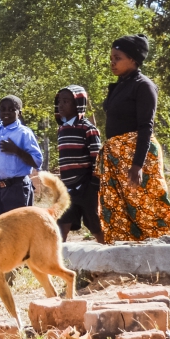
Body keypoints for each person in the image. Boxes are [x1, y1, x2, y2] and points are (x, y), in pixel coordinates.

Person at [98, 35, 170, 242]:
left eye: (117, 58)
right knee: (120, 206)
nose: (112, 62)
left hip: (136, 156)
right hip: (117, 157)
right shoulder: (120, 85)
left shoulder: (144, 86)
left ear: (133, 59)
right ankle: (126, 249)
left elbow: (146, 127)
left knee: (148, 205)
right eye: (111, 57)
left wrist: (137, 165)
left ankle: (167, 245)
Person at [55, 86, 103, 241]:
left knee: (94, 222)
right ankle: (61, 259)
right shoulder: (62, 129)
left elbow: (97, 157)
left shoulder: (88, 129)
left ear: (78, 104)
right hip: (68, 186)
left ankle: (108, 253)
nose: (61, 105)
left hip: (86, 186)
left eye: (66, 101)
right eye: (59, 101)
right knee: (62, 223)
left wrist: (94, 183)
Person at [0, 96, 43, 218]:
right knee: (1, 232)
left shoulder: (23, 133)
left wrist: (16, 150)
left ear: (19, 113)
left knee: (18, 230)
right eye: (3, 109)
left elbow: (37, 161)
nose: (6, 112)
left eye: (11, 109)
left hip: (17, 189)